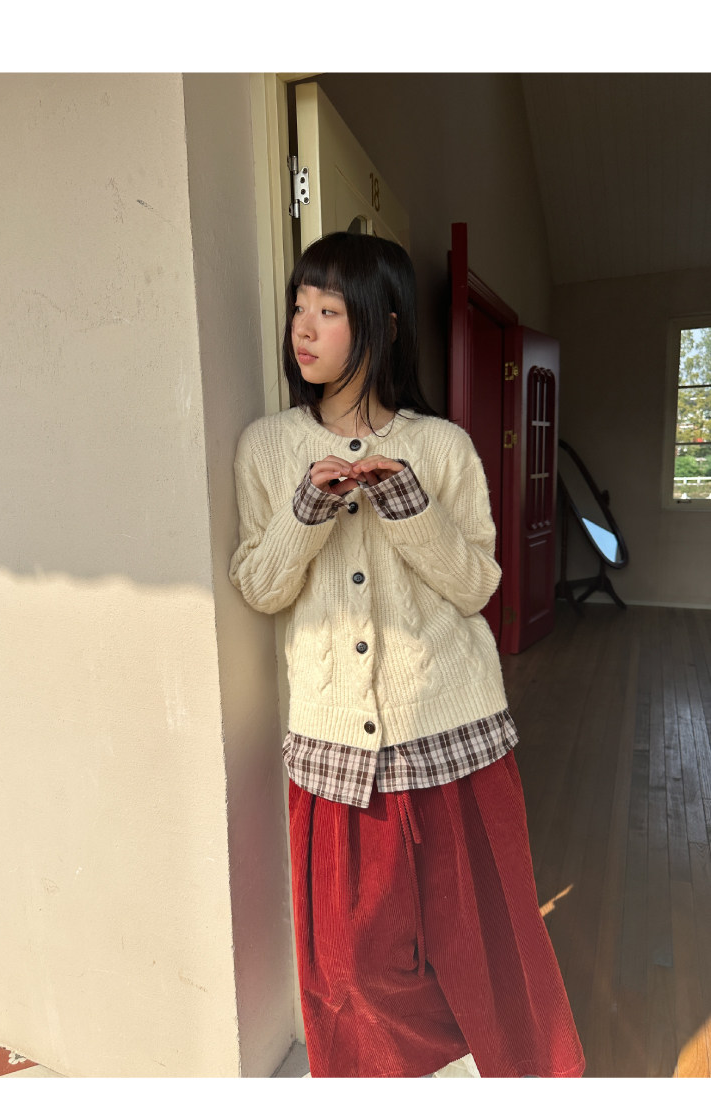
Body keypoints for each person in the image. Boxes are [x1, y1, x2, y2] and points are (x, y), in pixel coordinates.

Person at [229, 231, 585, 1079]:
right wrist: (305, 513)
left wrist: (409, 505)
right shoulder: (266, 447)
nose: (302, 328)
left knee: (489, 945)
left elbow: (477, 584)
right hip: (334, 745)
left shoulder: (444, 446)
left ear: (382, 321)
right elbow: (260, 586)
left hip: (454, 727)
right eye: (298, 307)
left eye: (328, 310)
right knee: (349, 966)